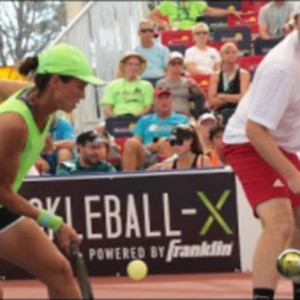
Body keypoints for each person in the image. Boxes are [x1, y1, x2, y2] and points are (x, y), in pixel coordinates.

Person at [0, 43, 104, 298]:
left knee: (58, 273)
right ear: (56, 81)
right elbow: (3, 192)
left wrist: (41, 129)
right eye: (79, 87)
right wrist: (54, 222)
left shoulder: (35, 100)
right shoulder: (13, 125)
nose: (82, 95)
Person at [222, 4, 300, 300]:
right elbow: (256, 130)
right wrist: (292, 175)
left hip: (282, 140)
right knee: (281, 223)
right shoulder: (282, 67)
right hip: (249, 140)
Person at [122, 87, 189, 171]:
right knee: (131, 142)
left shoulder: (182, 120)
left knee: (164, 141)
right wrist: (148, 147)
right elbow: (136, 140)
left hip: (172, 153)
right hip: (147, 154)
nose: (164, 101)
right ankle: (128, 181)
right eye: (160, 98)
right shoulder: (145, 120)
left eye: (167, 98)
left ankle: (174, 176)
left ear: (171, 100)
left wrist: (159, 145)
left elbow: (186, 143)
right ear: (155, 101)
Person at [208, 42, 250, 125]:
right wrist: (234, 98)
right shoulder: (215, 75)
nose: (231, 55)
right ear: (222, 56)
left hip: (238, 110)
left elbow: (243, 98)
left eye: (234, 52)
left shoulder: (243, 74)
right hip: (220, 112)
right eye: (227, 53)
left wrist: (221, 96)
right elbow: (212, 102)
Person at [101, 52, 154, 118]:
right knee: (99, 128)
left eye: (136, 65)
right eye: (130, 64)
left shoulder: (147, 85)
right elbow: (107, 109)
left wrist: (136, 118)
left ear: (139, 67)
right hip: (117, 119)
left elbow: (149, 107)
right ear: (124, 66)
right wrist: (116, 119)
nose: (133, 67)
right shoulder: (112, 85)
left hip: (139, 119)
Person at [156, 51, 204, 116]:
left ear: (183, 66)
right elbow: (156, 102)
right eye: (173, 63)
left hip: (185, 115)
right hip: (167, 115)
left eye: (180, 63)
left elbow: (201, 98)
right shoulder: (161, 83)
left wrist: (195, 86)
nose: (177, 65)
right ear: (168, 66)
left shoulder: (188, 82)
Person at [149, 0, 242, 31]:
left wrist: (230, 12)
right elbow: (151, 16)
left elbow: (212, 11)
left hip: (193, 33)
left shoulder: (195, 2)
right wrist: (164, 24)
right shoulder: (168, 3)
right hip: (176, 32)